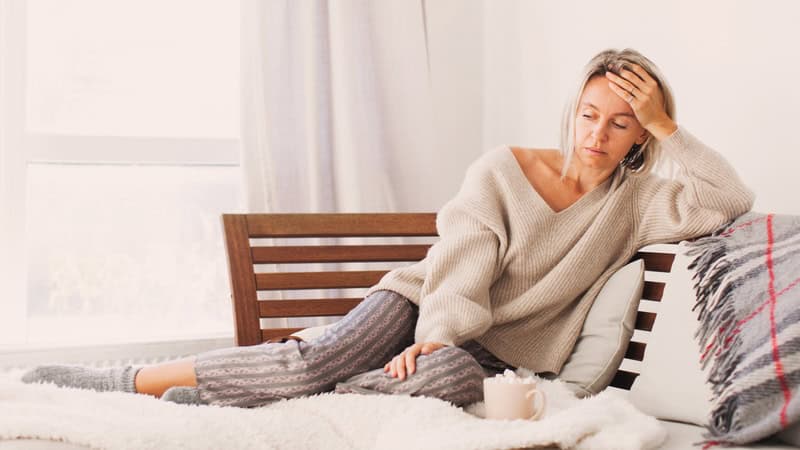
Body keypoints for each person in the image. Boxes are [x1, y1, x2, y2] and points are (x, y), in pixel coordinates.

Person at [21, 48, 754, 408]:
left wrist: (670, 125)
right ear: (572, 110)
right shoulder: (506, 167)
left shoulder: (642, 201)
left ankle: (236, 408)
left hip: (490, 355)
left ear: (640, 134)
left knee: (435, 379)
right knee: (314, 361)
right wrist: (434, 328)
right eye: (589, 112)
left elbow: (727, 197)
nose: (597, 132)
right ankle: (127, 380)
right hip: (423, 301)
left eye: (621, 121)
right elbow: (463, 258)